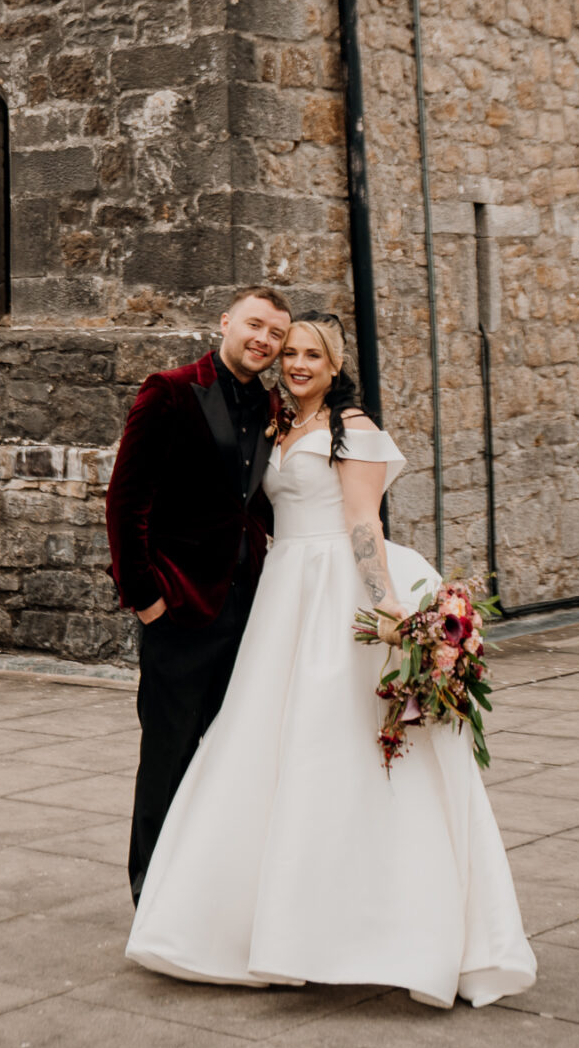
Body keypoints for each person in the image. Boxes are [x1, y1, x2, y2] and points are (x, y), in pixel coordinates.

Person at [124, 310, 537, 1007]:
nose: (294, 364)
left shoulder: (356, 432)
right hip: (280, 591)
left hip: (332, 590)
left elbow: (361, 524)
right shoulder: (273, 425)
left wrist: (384, 610)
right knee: (262, 745)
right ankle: (248, 918)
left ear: (334, 363)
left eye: (311, 355)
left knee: (338, 748)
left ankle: (373, 925)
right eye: (288, 353)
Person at [105, 287, 292, 902]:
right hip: (179, 610)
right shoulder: (169, 390)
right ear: (225, 322)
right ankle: (151, 893)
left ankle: (205, 888)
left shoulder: (271, 405)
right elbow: (126, 502)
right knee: (168, 755)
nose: (264, 340)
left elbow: (256, 503)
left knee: (229, 755)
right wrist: (146, 600)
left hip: (247, 609)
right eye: (254, 325)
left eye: (276, 334)